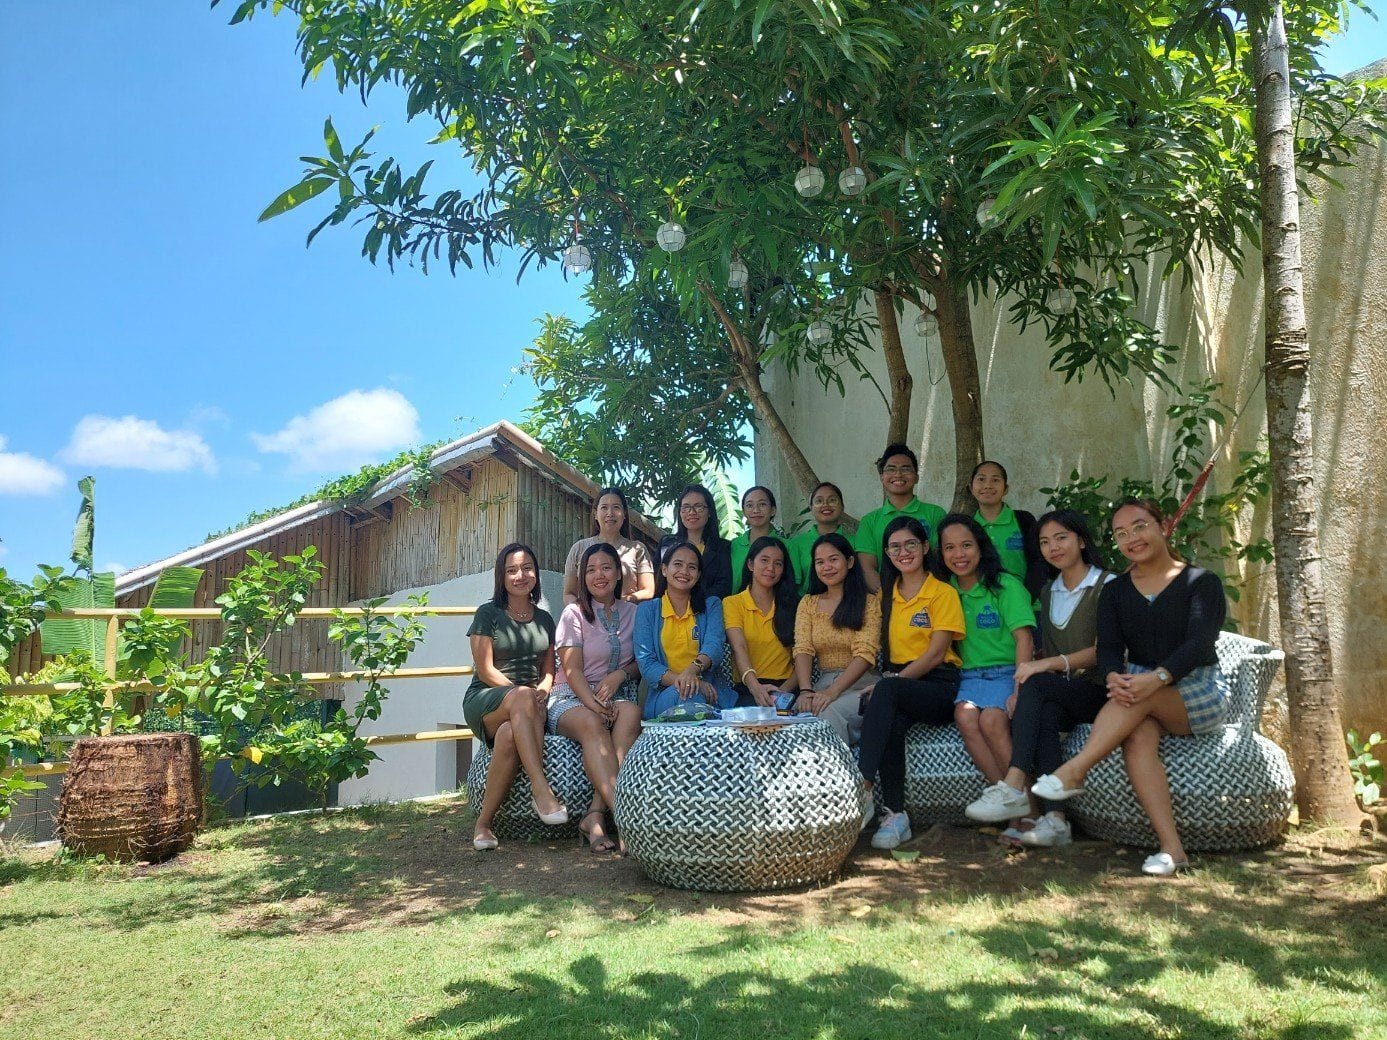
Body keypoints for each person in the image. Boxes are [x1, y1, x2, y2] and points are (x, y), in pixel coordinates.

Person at [1029, 498, 1230, 877]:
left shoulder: (1201, 582)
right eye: (1121, 533)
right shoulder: (1116, 590)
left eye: (1139, 527)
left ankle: (1075, 771)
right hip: (1137, 688)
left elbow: (1200, 643)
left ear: (1163, 526)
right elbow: (1108, 648)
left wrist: (1158, 677)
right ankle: (1173, 850)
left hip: (1195, 689)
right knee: (1137, 737)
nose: (1131, 538)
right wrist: (1111, 677)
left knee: (1138, 697)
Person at [964, 510, 1115, 848]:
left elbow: (1105, 650)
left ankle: (1014, 784)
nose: (1053, 547)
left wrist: (1046, 664)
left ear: (1081, 540)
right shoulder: (1049, 592)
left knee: (1035, 682)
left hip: (1104, 689)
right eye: (1045, 542)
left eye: (1061, 538)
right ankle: (1056, 820)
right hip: (1067, 690)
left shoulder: (1107, 585)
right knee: (1043, 711)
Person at [857, 516, 965, 849]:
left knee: (886, 691)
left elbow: (935, 655)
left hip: (939, 684)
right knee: (889, 722)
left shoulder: (943, 592)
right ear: (887, 553)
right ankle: (896, 816)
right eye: (894, 547)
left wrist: (890, 683)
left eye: (910, 544)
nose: (903, 552)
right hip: (900, 685)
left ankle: (862, 789)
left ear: (925, 547)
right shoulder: (885, 597)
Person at [465, 542, 562, 851]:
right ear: (502, 577)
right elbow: (485, 670)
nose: (521, 575)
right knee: (521, 699)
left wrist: (542, 691)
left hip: (529, 704)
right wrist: (521, 694)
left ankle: (483, 824)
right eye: (512, 570)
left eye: (527, 568)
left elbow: (548, 670)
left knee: (509, 735)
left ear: (536, 574)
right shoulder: (488, 614)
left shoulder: (545, 619)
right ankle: (540, 789)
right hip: (488, 698)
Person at [548, 543, 643, 854]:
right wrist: (592, 703)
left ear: (618, 573)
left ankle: (594, 815)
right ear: (582, 578)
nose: (598, 575)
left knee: (631, 713)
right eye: (590, 570)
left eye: (605, 568)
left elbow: (641, 662)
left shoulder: (634, 613)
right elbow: (572, 670)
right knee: (592, 723)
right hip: (570, 696)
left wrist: (620, 675)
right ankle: (626, 821)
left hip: (615, 695)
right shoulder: (573, 613)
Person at [936, 513, 1037, 797]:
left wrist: (1019, 689)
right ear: (941, 554)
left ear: (981, 546)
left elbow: (1025, 639)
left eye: (966, 545)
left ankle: (1028, 809)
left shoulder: (1006, 585)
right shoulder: (944, 592)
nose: (959, 555)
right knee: (964, 716)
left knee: (991, 721)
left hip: (1008, 672)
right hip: (969, 676)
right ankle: (1006, 799)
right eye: (949, 547)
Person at [792, 532, 881, 747]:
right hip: (822, 683)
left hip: (863, 685)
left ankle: (834, 768)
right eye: (820, 562)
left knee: (829, 713)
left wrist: (832, 692)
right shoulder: (808, 603)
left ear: (849, 562)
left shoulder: (869, 602)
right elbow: (803, 649)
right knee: (797, 718)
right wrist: (805, 691)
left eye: (833, 559)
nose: (827, 567)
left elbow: (865, 654)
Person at [635, 540, 736, 718]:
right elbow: (647, 664)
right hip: (665, 696)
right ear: (664, 569)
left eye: (692, 567)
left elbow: (714, 646)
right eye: (678, 564)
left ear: (698, 575)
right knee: (689, 693)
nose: (684, 571)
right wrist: (689, 682)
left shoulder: (711, 605)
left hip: (711, 693)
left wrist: (692, 671)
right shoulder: (647, 610)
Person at [854, 444, 946, 593]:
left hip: (930, 596)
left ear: (916, 477)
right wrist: (891, 598)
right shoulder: (869, 521)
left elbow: (940, 560)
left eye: (906, 469)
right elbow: (867, 568)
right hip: (886, 597)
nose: (898, 474)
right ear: (882, 477)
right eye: (891, 469)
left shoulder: (935, 513)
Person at [725, 536, 801, 707]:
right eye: (764, 560)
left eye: (778, 563)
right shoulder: (732, 603)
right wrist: (756, 688)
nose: (771, 568)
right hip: (749, 686)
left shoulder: (795, 605)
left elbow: (803, 656)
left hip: (787, 689)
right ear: (751, 564)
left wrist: (780, 692)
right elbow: (739, 647)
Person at [562, 486, 655, 605]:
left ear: (624, 514)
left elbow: (648, 591)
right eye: (604, 507)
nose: (610, 513)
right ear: (595, 514)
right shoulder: (579, 548)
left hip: (628, 615)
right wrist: (581, 612)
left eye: (616, 507)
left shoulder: (637, 549)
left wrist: (620, 605)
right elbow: (569, 593)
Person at [969, 461, 1046, 598]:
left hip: (1024, 601)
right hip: (983, 604)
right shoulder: (967, 526)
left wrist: (1025, 598)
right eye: (981, 479)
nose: (987, 485)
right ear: (971, 488)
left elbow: (1037, 563)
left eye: (995, 480)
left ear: (1005, 488)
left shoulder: (1024, 520)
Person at [659, 484, 733, 599]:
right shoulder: (667, 543)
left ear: (709, 512)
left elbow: (723, 586)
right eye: (686, 507)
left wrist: (691, 603)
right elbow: (658, 580)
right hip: (668, 607)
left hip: (707, 607)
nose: (691, 512)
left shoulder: (723, 547)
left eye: (698, 507)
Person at [788, 481, 846, 594]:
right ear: (811, 508)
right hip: (807, 603)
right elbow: (793, 587)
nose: (826, 504)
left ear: (842, 506)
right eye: (819, 501)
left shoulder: (855, 541)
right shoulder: (796, 544)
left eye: (832, 500)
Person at [729, 486, 790, 590]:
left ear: (773, 510)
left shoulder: (787, 545)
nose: (756, 510)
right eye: (749, 505)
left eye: (762, 504)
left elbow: (791, 583)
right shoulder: (733, 545)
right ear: (743, 511)